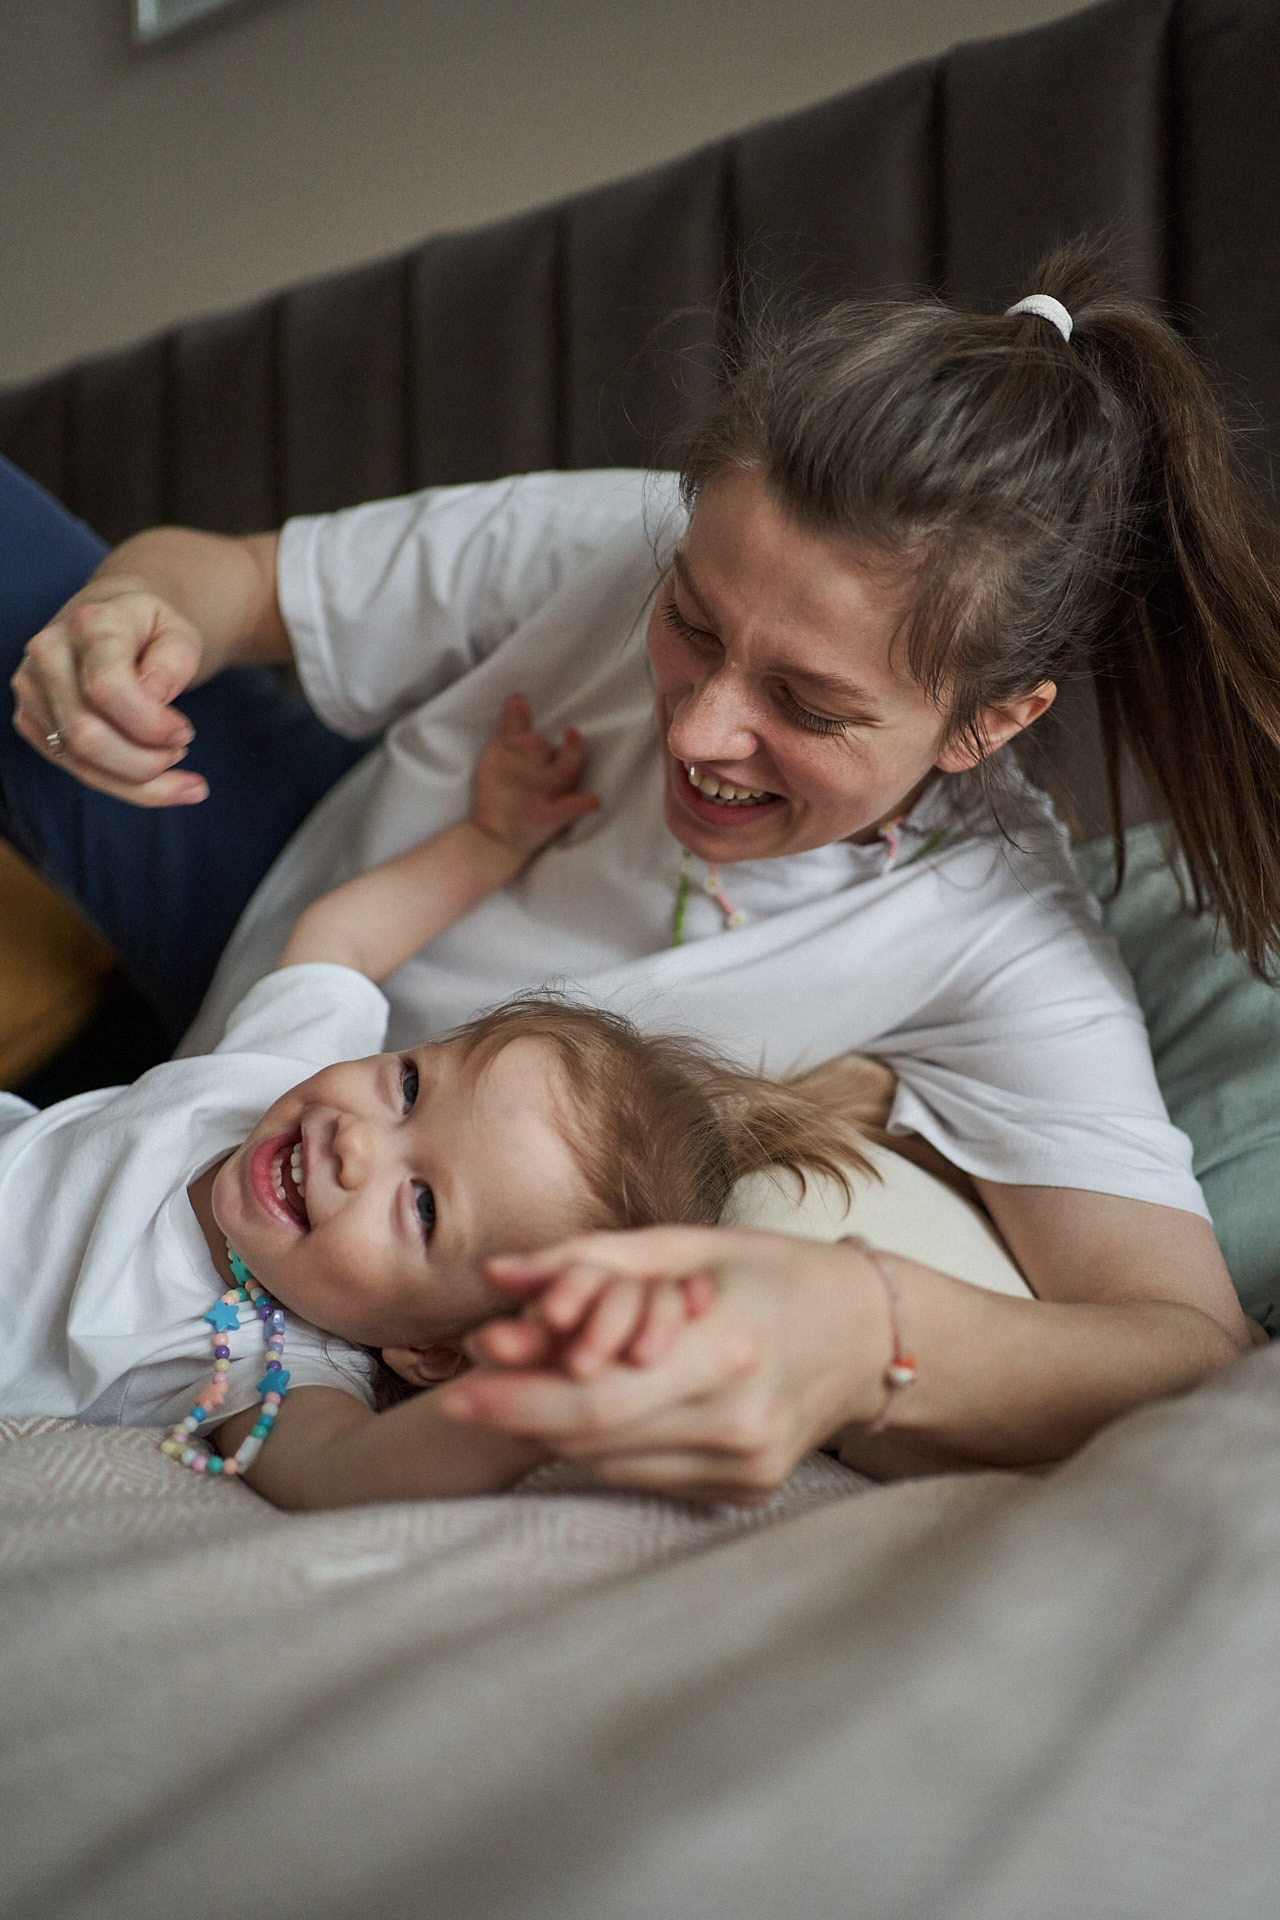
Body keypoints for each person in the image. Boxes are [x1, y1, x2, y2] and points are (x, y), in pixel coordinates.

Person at [4, 242, 1274, 1498]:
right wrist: (131, 618)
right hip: (278, 975)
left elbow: (1181, 1346)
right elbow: (228, 577)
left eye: (806, 704)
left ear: (979, 726)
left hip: (319, 1263)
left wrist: (864, 1326)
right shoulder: (615, 535)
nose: (694, 730)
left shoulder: (997, 944)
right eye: (690, 623)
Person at [0, 696, 866, 1509]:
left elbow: (344, 1472)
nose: (356, 1146)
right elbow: (341, 939)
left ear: (432, 1351)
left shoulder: (264, 1367)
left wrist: (533, 1410)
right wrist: (490, 840)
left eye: (422, 1206)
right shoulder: (279, 1071)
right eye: (409, 1087)